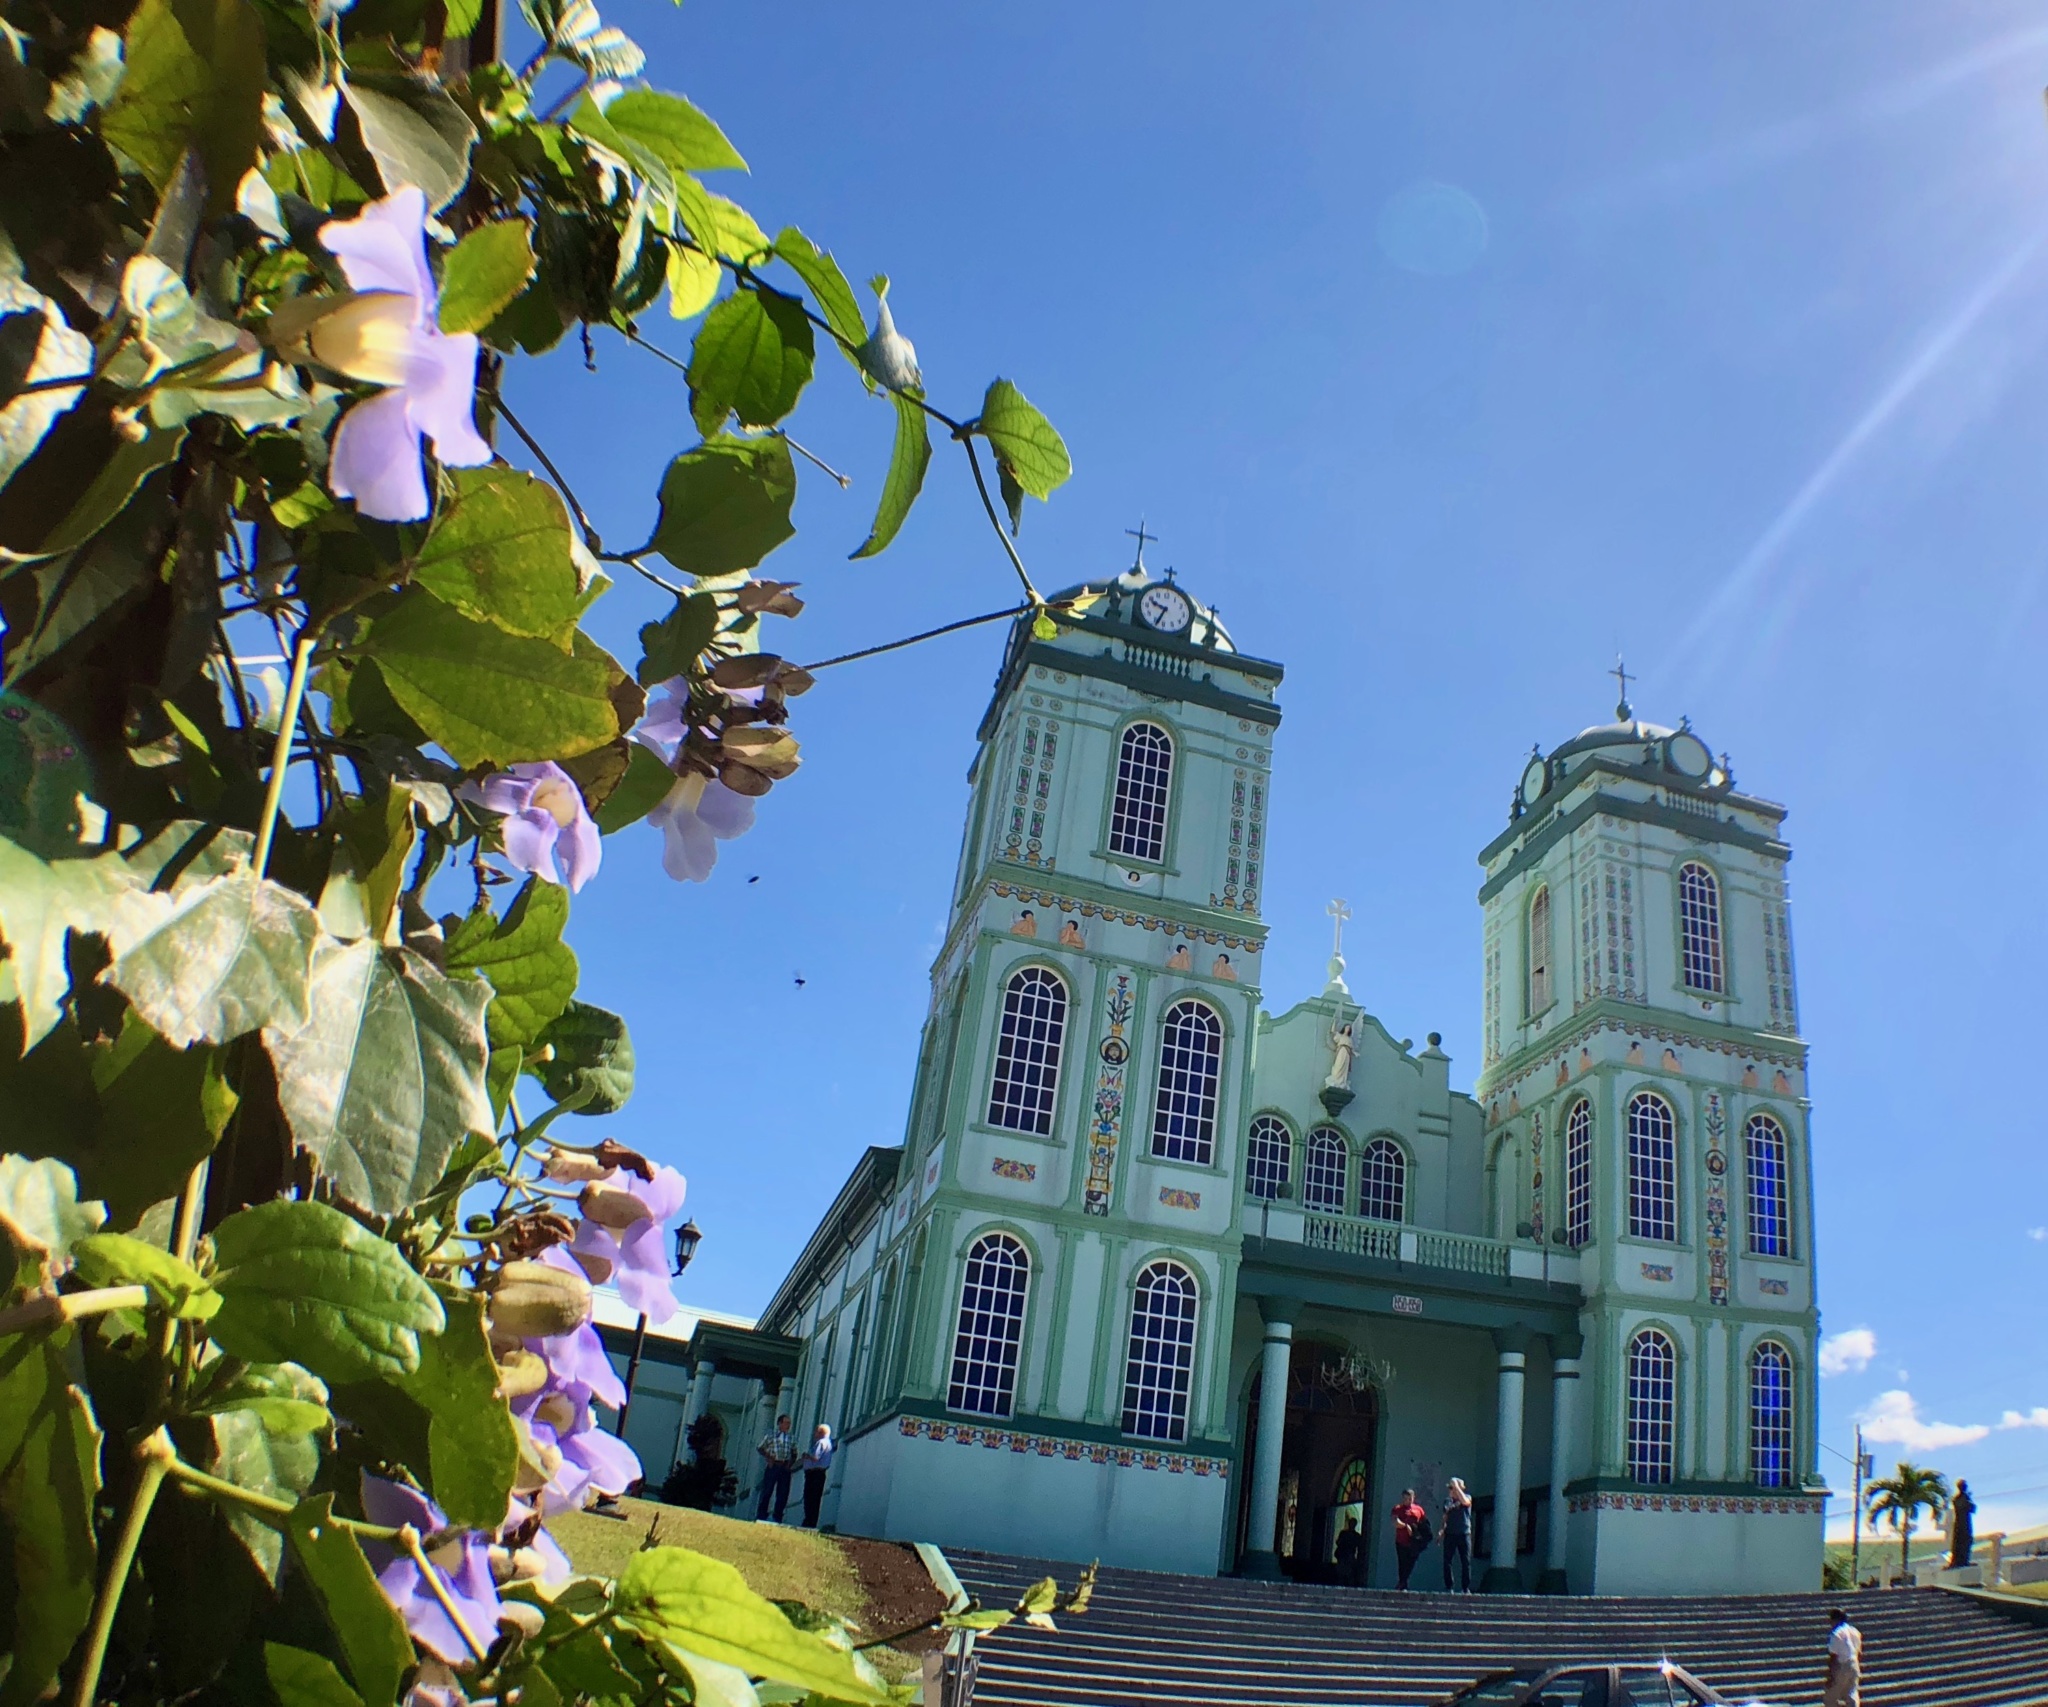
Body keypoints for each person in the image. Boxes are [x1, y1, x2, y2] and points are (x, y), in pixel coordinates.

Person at [754, 1413, 796, 1522]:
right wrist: (769, 1457)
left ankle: (778, 1516)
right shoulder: (771, 1436)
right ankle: (762, 1513)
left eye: (789, 1423)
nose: (788, 1425)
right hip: (774, 1465)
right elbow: (760, 1448)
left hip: (784, 1466)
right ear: (780, 1423)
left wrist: (790, 1464)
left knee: (782, 1492)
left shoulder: (791, 1438)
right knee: (767, 1490)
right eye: (786, 1423)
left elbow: (794, 1451)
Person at [1391, 1488, 1431, 1590]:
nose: (1407, 1501)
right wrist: (1406, 1526)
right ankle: (1402, 1583)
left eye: (1409, 1498)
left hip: (1414, 1542)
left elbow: (1424, 1524)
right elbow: (1395, 1522)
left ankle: (1403, 1582)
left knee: (1411, 1562)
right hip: (1401, 1541)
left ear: (1413, 1498)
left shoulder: (1418, 1510)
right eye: (1405, 1498)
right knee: (1402, 1562)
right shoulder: (1398, 1509)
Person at [1441, 1477, 1474, 1592]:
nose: (1451, 1490)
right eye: (1450, 1488)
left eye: (1452, 1488)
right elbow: (1445, 1516)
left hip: (1464, 1533)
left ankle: (1465, 1587)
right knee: (1447, 1560)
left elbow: (1465, 1502)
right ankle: (1449, 1586)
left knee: (1465, 1561)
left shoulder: (1467, 1497)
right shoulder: (1448, 1501)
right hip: (1450, 1533)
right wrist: (1442, 1530)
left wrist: (1457, 1487)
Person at [799, 1422, 836, 1528]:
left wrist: (806, 1456)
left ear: (820, 1432)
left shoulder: (821, 1443)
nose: (814, 1434)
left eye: (816, 1431)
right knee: (816, 1498)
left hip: (814, 1473)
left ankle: (808, 1521)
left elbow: (815, 1457)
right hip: (820, 1473)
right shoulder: (829, 1443)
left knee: (810, 1497)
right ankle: (812, 1521)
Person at [1824, 1607, 1862, 1707]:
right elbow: (1859, 1650)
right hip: (1854, 1663)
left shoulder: (1836, 1633)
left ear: (1834, 1620)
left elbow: (1834, 1656)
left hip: (1842, 1665)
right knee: (1852, 1693)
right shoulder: (1855, 1631)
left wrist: (1830, 1675)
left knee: (1830, 1697)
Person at [1950, 1480, 1976, 1568]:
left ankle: (1964, 1560)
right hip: (1962, 1523)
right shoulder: (1959, 1498)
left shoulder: (1960, 1498)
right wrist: (1969, 1500)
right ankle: (1960, 1561)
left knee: (1965, 1542)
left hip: (1963, 1523)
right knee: (1962, 1542)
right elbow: (1971, 1508)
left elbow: (1972, 1508)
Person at [1333, 1515, 1363, 1586]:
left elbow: (1359, 1547)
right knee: (1341, 1575)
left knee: (1349, 1576)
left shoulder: (1354, 1535)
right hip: (1343, 1557)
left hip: (1349, 1557)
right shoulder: (1345, 1534)